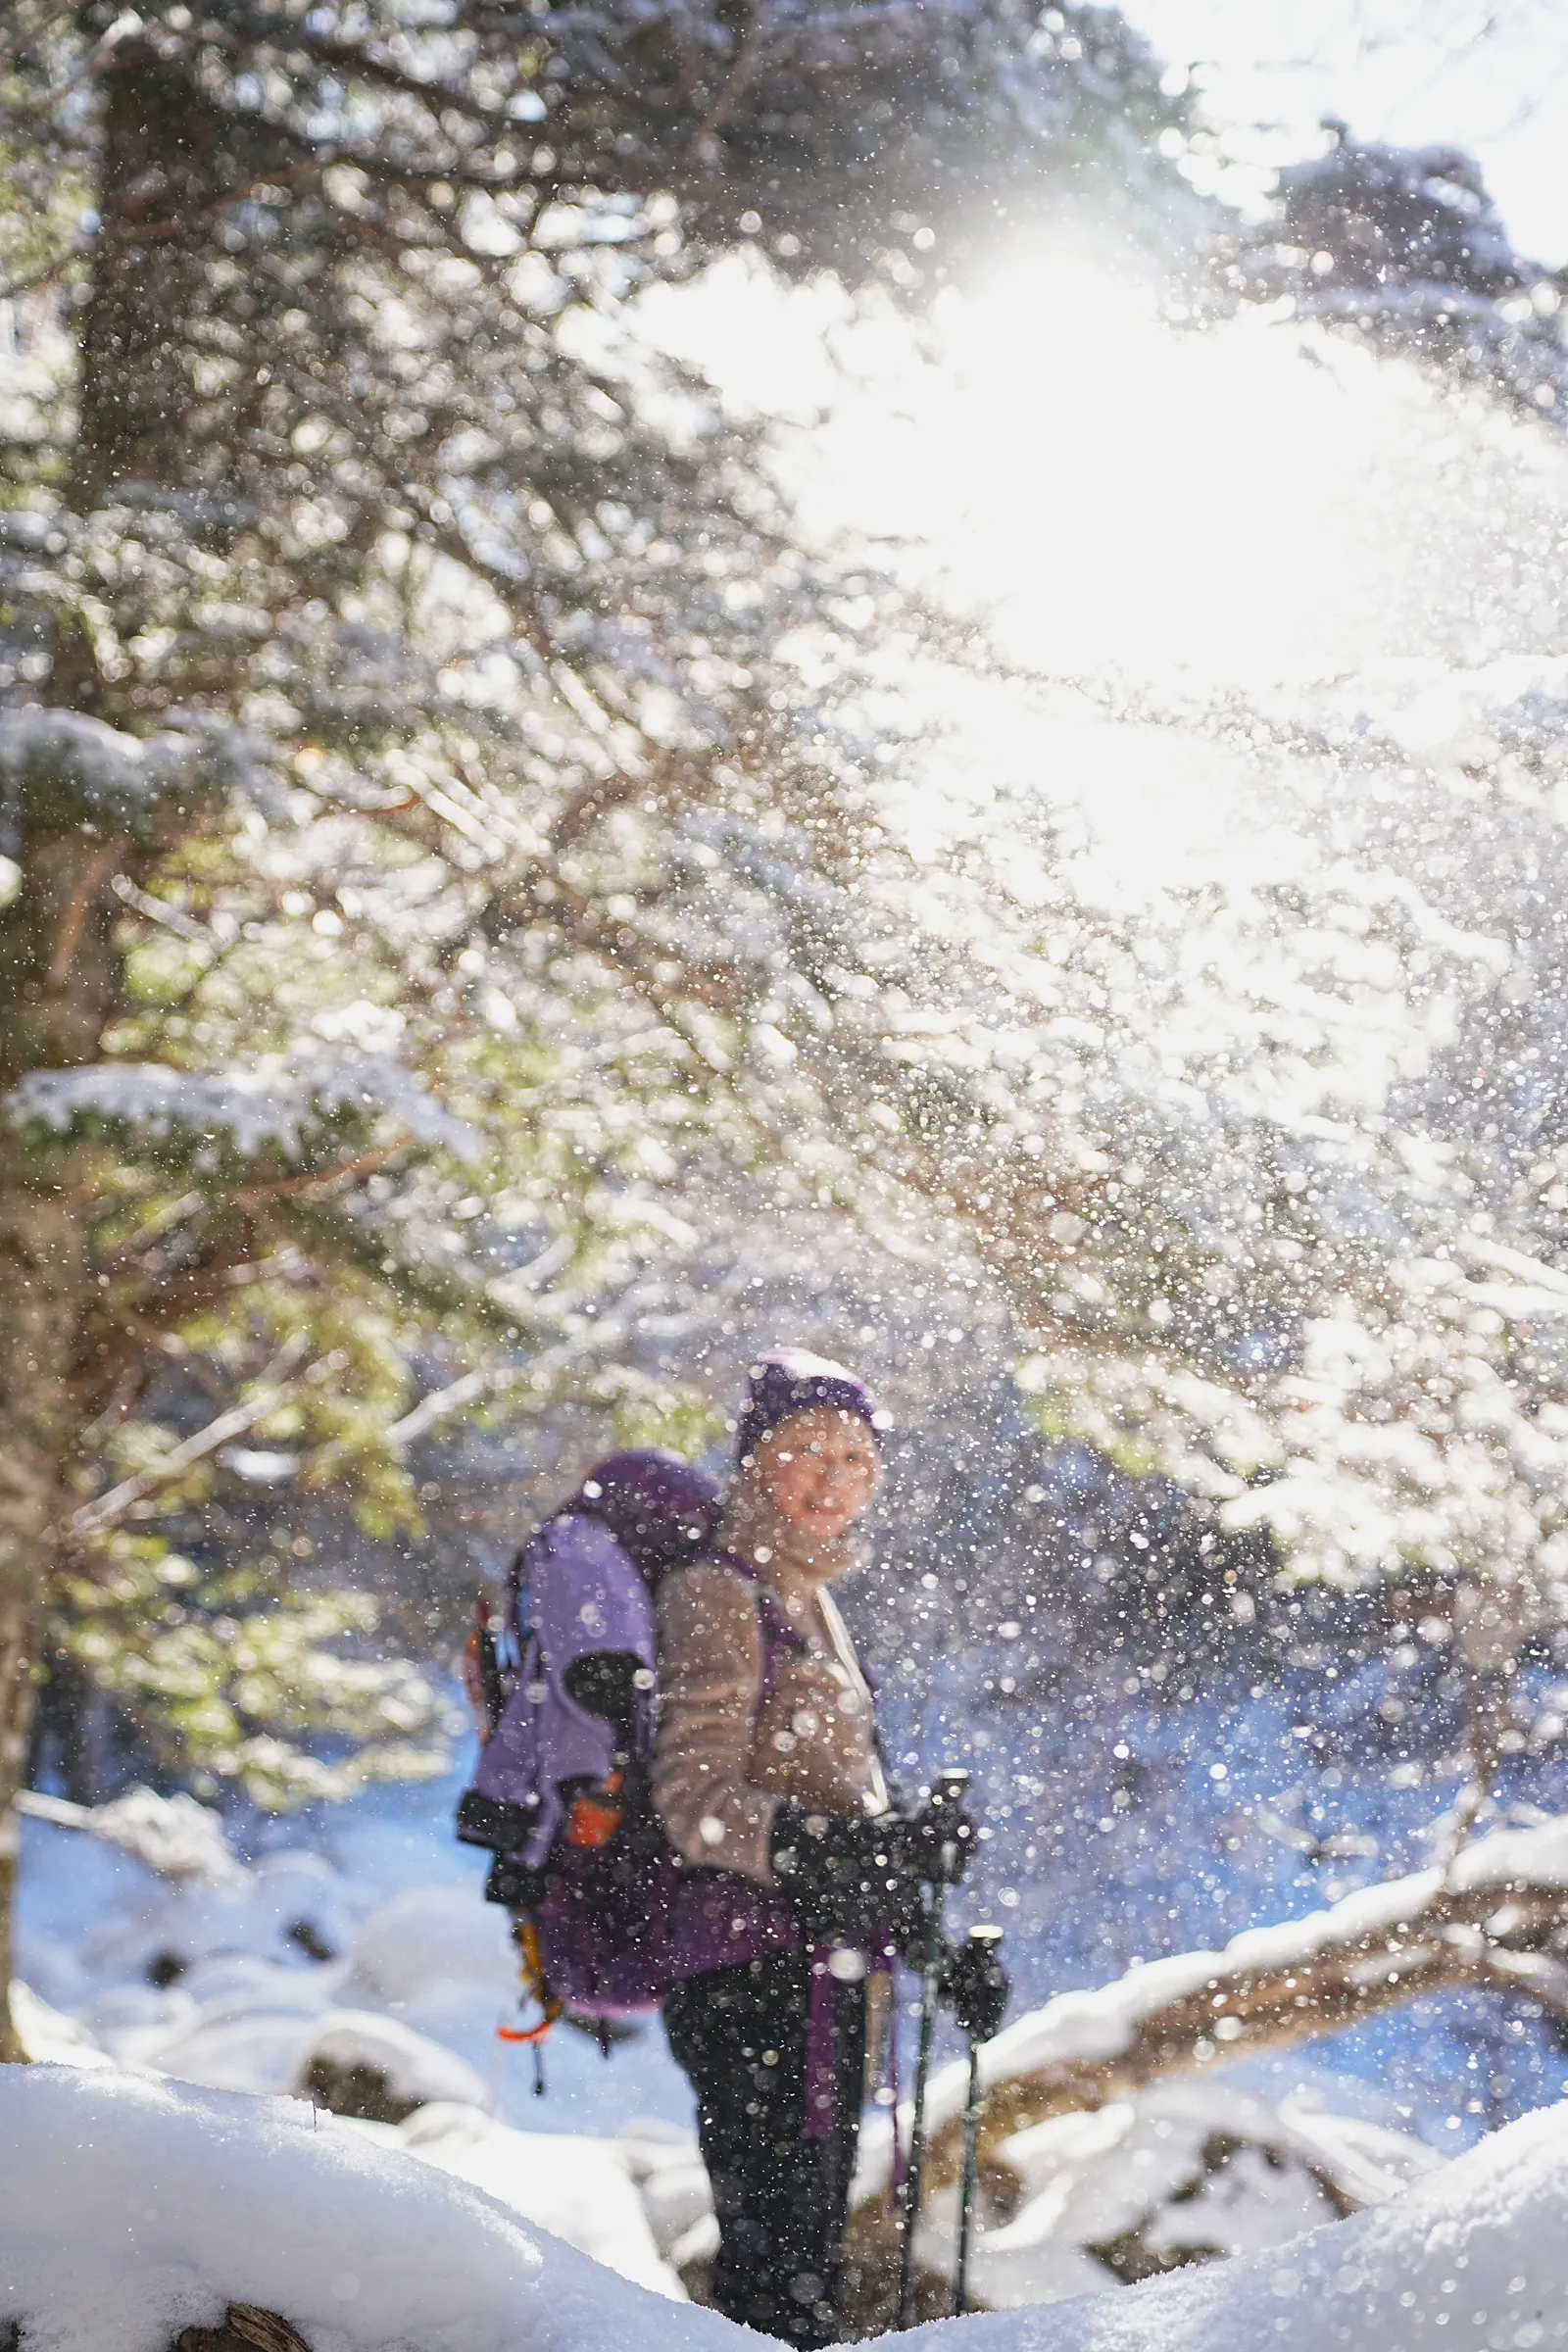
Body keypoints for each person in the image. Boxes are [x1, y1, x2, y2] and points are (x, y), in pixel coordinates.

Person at [652, 1347, 1007, 2345]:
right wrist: (833, 1851)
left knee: (805, 2261)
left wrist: (940, 1952)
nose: (830, 1477)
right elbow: (693, 1800)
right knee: (776, 2275)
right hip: (750, 1978)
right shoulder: (718, 1591)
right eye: (803, 1449)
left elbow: (844, 1826)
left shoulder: (812, 1597)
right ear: (754, 1461)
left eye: (853, 1457)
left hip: (824, 1976)